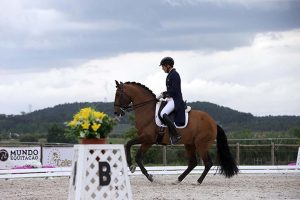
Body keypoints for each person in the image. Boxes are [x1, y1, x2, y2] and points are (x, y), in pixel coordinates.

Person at [159, 56, 185, 144]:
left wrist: (164, 94)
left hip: (175, 100)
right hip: (170, 99)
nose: (162, 69)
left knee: (163, 114)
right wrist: (164, 94)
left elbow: (174, 91)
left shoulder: (174, 75)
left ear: (168, 66)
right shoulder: (170, 74)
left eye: (163, 66)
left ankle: (176, 135)